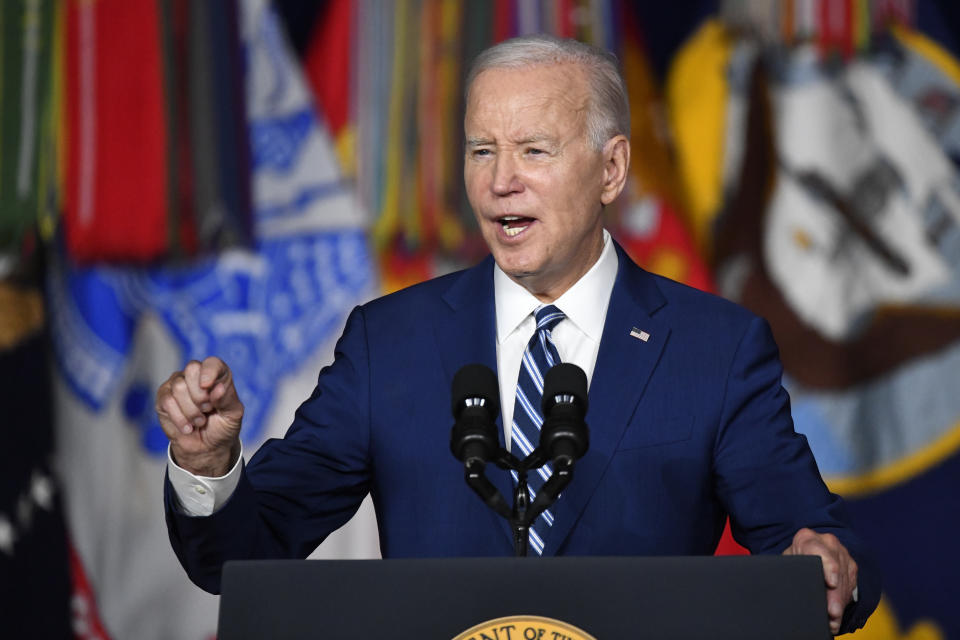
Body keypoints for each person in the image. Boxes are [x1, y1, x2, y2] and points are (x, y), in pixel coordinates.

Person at [158, 35, 878, 634]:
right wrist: (208, 466)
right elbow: (240, 558)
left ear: (612, 168)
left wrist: (825, 560)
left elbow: (811, 543)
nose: (502, 181)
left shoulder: (713, 349)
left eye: (534, 151)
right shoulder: (391, 345)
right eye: (480, 151)